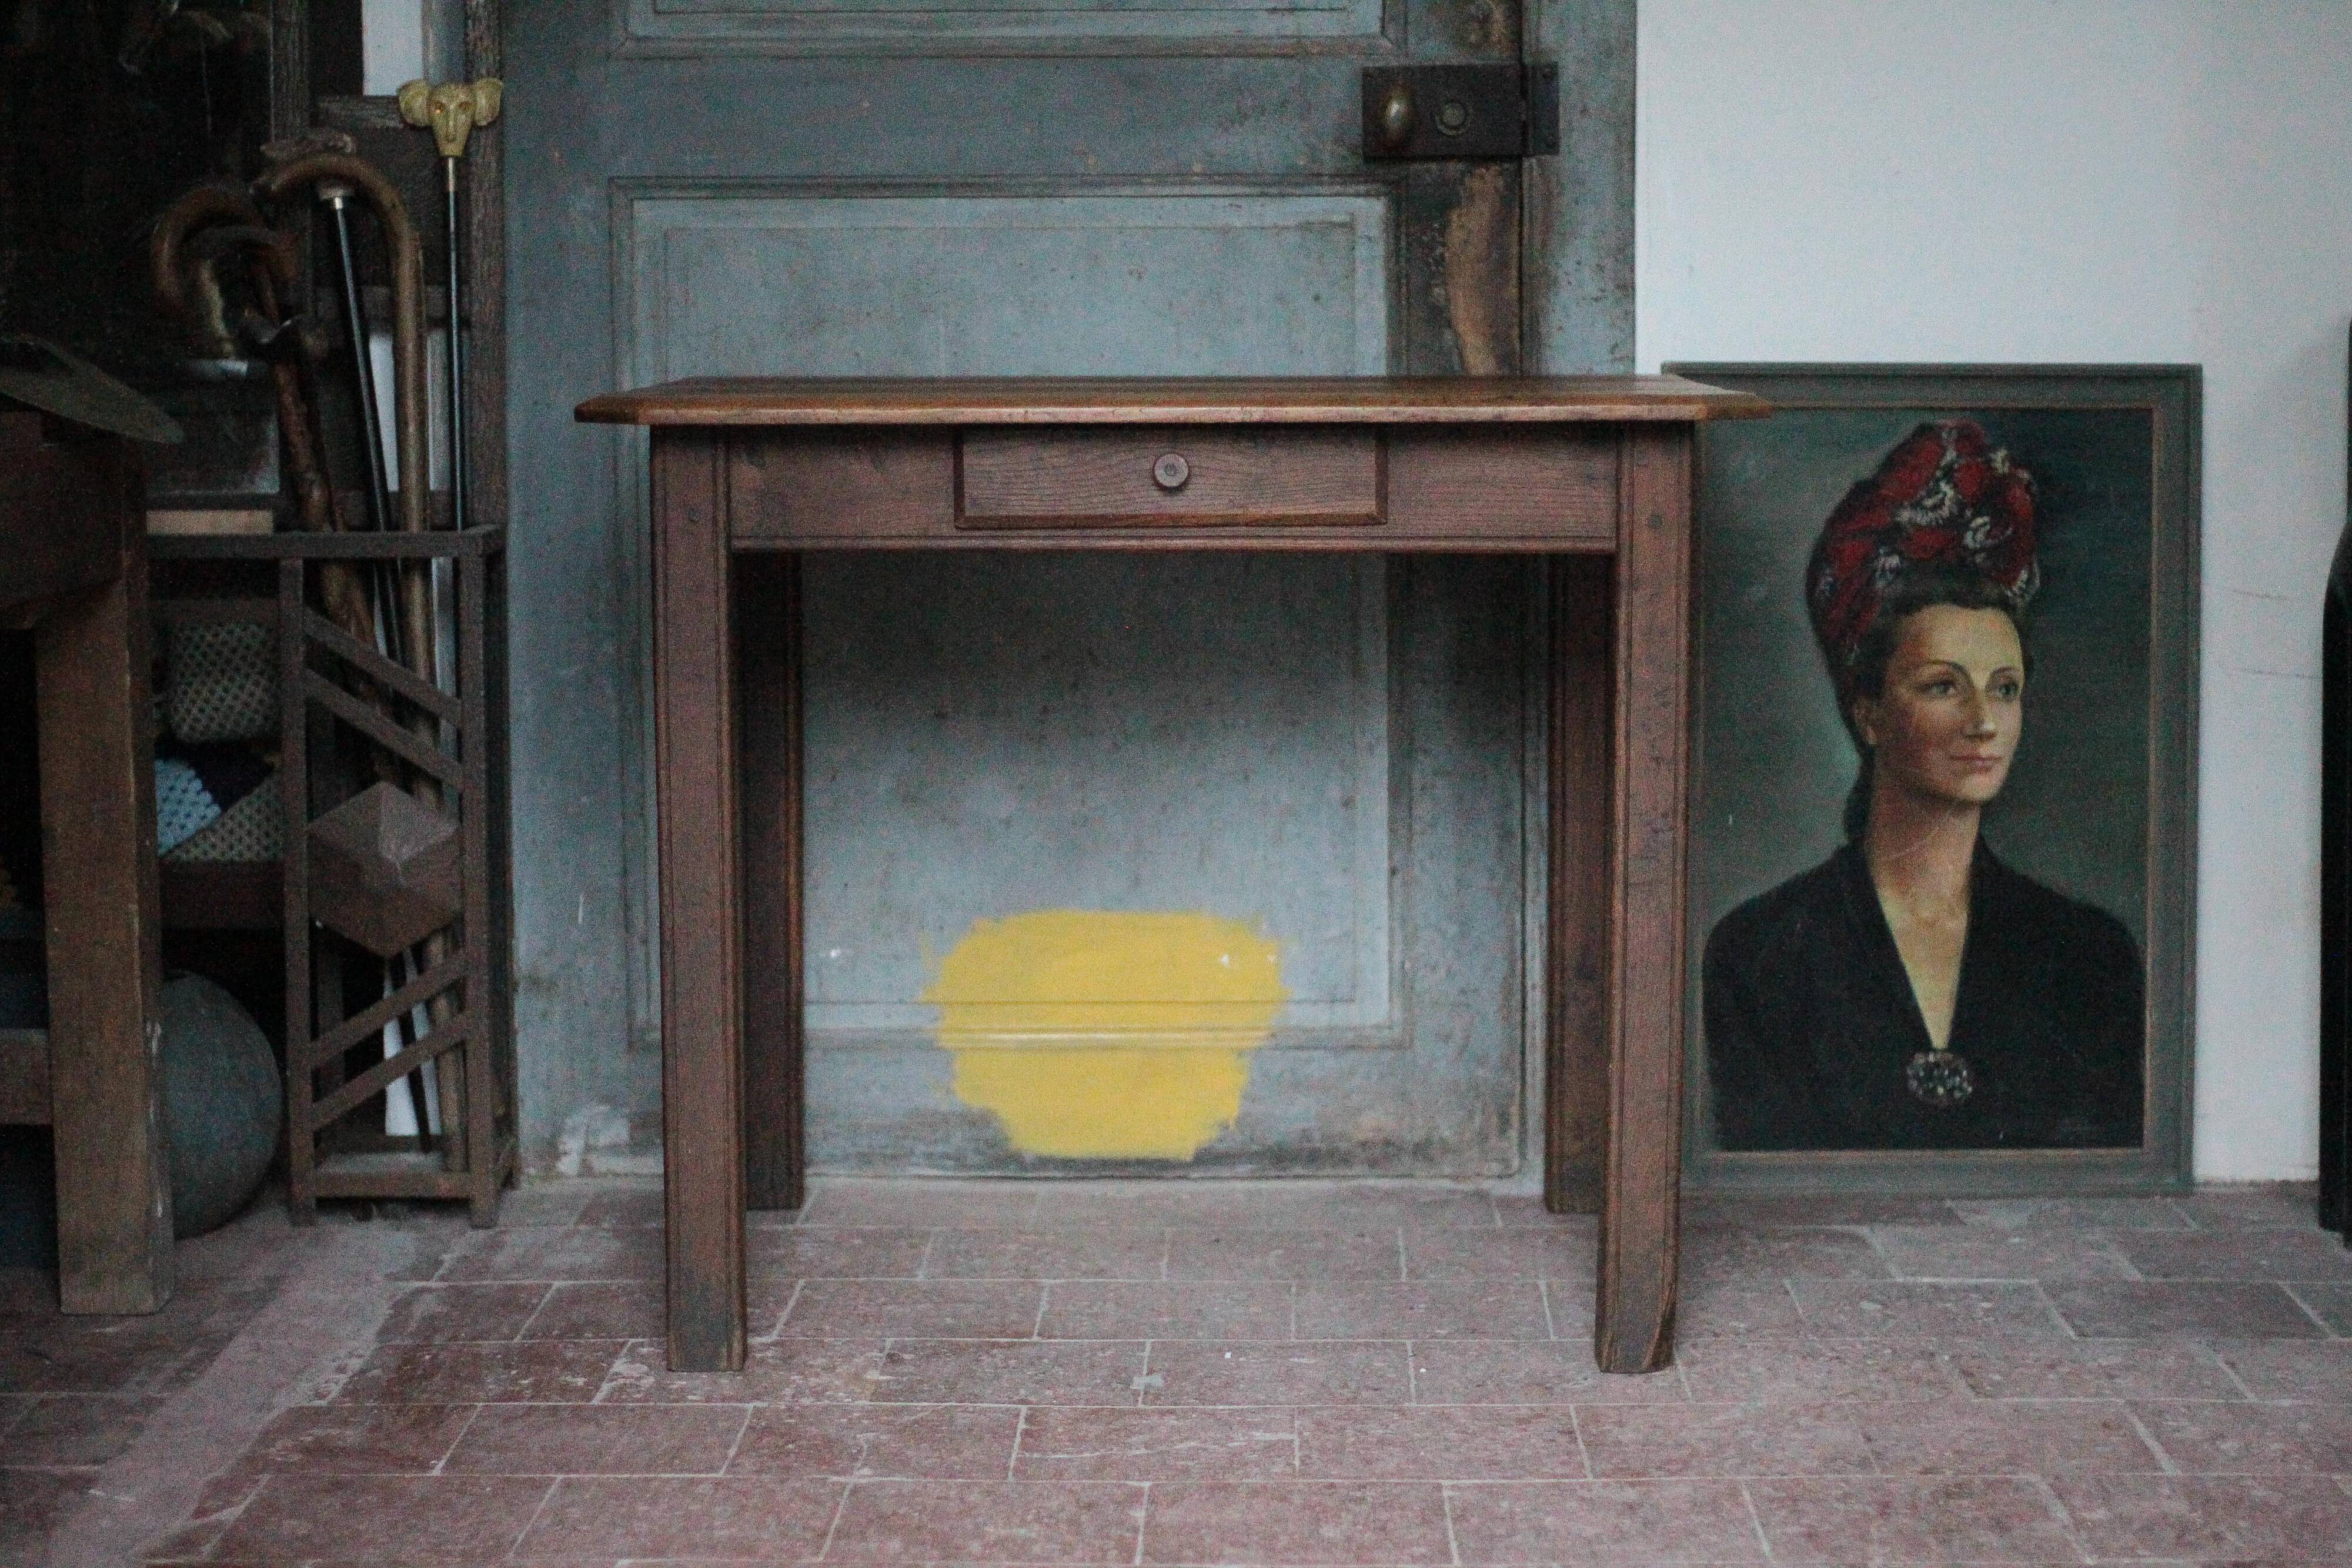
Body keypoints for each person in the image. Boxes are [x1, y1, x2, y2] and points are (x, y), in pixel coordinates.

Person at [1703, 420, 2144, 1151]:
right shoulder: (1760, 950)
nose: (1983, 724)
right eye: (1943, 686)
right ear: (1869, 712)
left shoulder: (2089, 953)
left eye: (2005, 690)